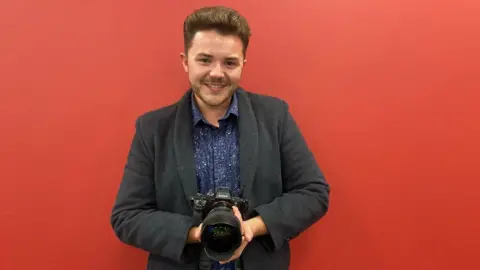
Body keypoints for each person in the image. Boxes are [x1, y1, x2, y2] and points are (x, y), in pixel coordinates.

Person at [110, 5, 330, 270]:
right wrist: (197, 233)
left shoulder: (275, 117)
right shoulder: (152, 129)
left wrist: (250, 228)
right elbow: (127, 217)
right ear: (185, 61)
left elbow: (313, 193)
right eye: (205, 60)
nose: (216, 73)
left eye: (229, 62)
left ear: (243, 64)